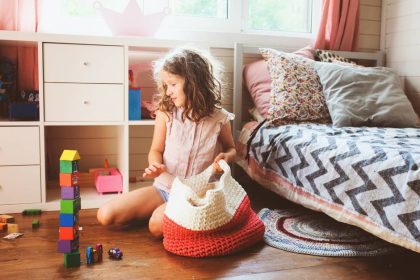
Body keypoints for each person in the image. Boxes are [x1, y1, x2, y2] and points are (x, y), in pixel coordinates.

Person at [97, 48, 237, 238]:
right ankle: (165, 211)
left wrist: (226, 157)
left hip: (197, 194)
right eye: (166, 85)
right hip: (164, 188)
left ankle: (171, 214)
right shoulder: (166, 114)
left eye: (172, 84)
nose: (168, 91)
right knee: (105, 215)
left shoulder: (219, 118)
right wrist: (155, 164)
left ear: (194, 82)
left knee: (156, 227)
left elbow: (232, 149)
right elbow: (156, 150)